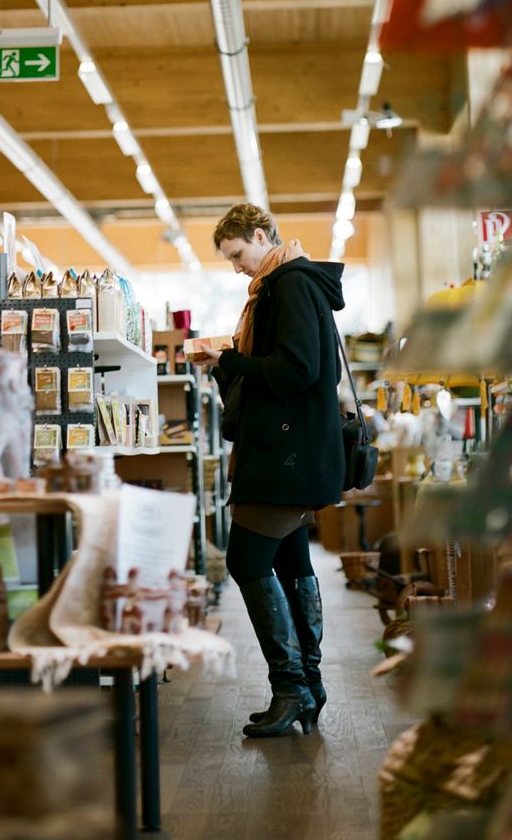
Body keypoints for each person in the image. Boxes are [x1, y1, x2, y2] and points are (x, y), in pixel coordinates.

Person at [200, 204, 346, 738]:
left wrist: (231, 361)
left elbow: (296, 370)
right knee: (289, 559)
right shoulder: (286, 285)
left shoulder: (288, 285)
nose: (237, 267)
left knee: (246, 558)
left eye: (238, 254)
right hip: (291, 452)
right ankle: (306, 686)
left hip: (287, 458)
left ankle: (292, 687)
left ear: (260, 237)